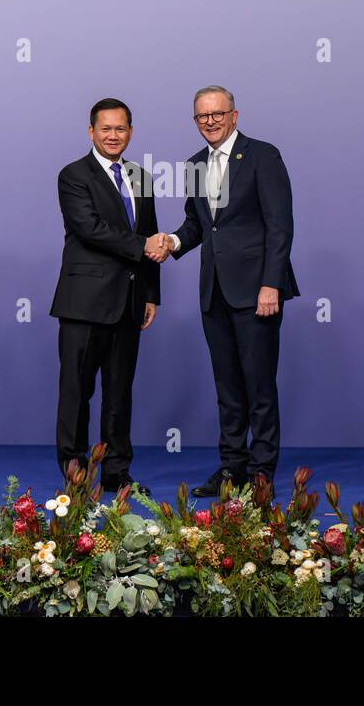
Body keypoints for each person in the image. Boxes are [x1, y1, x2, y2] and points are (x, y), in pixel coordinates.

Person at [150, 86, 299, 497]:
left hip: (257, 292)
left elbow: (280, 226)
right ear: (195, 121)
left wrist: (271, 283)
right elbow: (198, 226)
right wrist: (172, 242)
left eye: (217, 114)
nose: (210, 121)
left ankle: (261, 472)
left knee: (259, 385)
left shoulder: (263, 155)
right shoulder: (195, 164)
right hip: (213, 292)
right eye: (202, 116)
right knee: (227, 387)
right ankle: (232, 469)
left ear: (235, 115)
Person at [50, 98, 167, 495]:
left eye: (121, 129)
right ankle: (75, 477)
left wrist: (151, 293)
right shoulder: (73, 175)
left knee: (119, 394)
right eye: (106, 129)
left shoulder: (142, 177)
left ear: (130, 132)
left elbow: (149, 231)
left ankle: (117, 475)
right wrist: (144, 245)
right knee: (76, 393)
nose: (113, 136)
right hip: (84, 303)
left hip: (130, 302)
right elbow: (90, 229)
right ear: (91, 132)